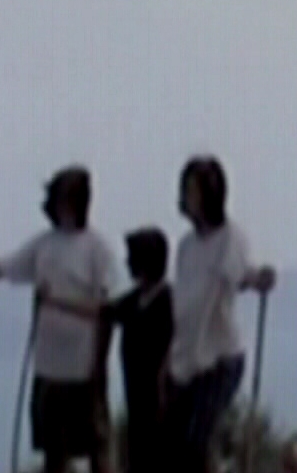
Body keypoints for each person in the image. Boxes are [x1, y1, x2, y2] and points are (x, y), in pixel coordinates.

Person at [0, 166, 118, 473]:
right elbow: (1, 268)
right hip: (48, 369)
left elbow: (106, 307)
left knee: (96, 452)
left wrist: (54, 303)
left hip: (84, 371)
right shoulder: (43, 245)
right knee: (54, 455)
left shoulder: (97, 250)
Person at [160, 155, 276, 473]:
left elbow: (237, 276)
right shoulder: (186, 246)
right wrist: (170, 358)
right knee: (176, 443)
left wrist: (257, 278)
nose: (185, 197)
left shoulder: (230, 239)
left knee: (198, 440)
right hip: (187, 357)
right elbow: (183, 306)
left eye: (191, 190)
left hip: (219, 358)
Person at [38, 226, 174, 473]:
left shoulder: (168, 301)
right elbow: (100, 311)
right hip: (137, 395)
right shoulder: (135, 301)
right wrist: (54, 302)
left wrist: (163, 384)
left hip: (159, 398)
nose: (128, 263)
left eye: (132, 257)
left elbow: (174, 346)